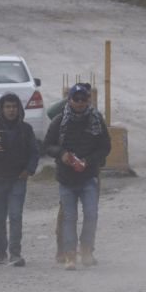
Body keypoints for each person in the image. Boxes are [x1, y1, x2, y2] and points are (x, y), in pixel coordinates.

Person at [45, 83, 111, 270]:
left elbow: (105, 147)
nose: (80, 103)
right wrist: (62, 154)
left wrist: (88, 161)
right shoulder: (59, 121)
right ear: (70, 100)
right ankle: (69, 254)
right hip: (66, 178)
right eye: (76, 99)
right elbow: (48, 146)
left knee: (91, 214)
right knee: (69, 216)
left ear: (88, 100)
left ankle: (87, 250)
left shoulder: (96, 119)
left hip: (89, 176)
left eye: (84, 99)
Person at [0, 93, 40, 267]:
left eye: (14, 107)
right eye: (7, 107)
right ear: (1, 109)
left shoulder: (26, 129)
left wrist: (29, 169)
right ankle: (0, 252)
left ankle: (15, 253)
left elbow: (35, 152)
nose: (11, 110)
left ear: (18, 108)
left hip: (18, 179)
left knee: (15, 215)